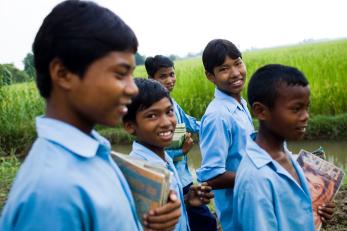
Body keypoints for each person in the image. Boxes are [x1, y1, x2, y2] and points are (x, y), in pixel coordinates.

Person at [0, 1, 181, 230]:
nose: (133, 88)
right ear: (64, 74)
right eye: (119, 74)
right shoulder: (52, 189)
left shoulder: (94, 152)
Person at [231, 64, 335, 230]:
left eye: (307, 107)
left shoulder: (284, 153)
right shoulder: (256, 180)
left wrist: (313, 212)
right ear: (261, 111)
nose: (306, 116)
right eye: (296, 109)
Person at [123, 78, 214, 231]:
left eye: (169, 111)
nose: (166, 122)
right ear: (130, 126)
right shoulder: (140, 172)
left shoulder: (164, 157)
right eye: (152, 115)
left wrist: (186, 200)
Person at [145, 55, 217, 231]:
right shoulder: (148, 112)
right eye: (163, 76)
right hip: (170, 181)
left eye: (172, 74)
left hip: (183, 178)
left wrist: (215, 125)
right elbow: (153, 153)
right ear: (151, 79)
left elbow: (190, 122)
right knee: (203, 221)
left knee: (198, 220)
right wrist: (182, 152)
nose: (170, 80)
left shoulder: (173, 104)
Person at [196, 39, 255, 231]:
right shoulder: (218, 116)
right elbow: (212, 177)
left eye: (238, 63)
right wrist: (260, 176)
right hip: (239, 215)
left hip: (256, 203)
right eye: (224, 69)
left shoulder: (240, 104)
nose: (236, 73)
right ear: (210, 76)